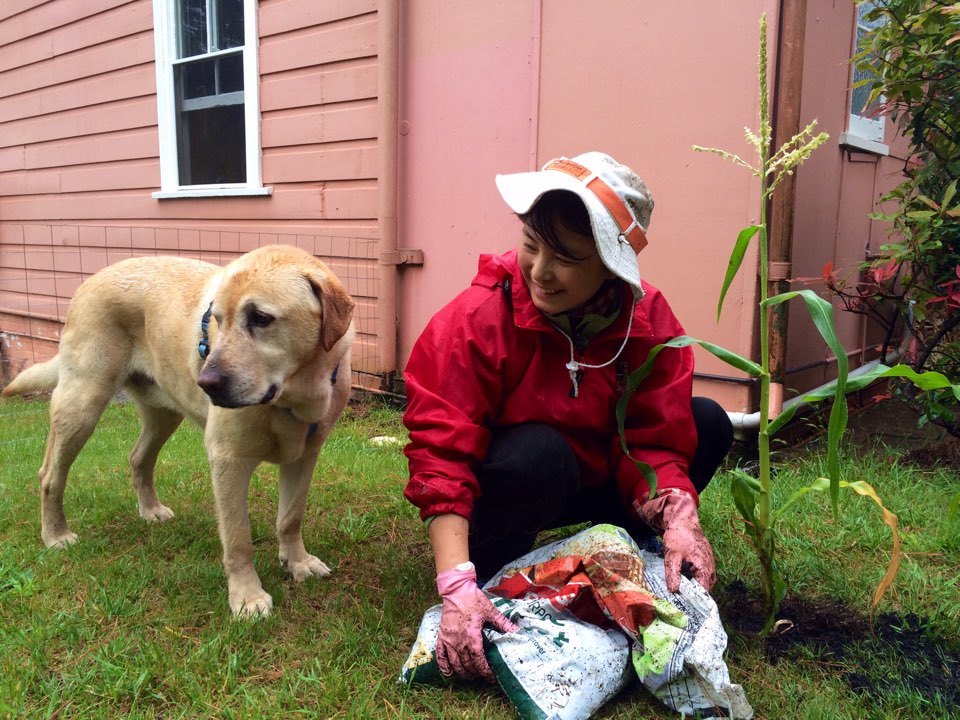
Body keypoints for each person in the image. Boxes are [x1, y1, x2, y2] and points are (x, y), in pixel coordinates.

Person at [402, 151, 734, 683]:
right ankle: (486, 571)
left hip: (601, 479)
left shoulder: (645, 322)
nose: (540, 271)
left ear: (609, 264)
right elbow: (442, 448)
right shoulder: (479, 316)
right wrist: (454, 583)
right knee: (540, 454)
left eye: (568, 258)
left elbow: (654, 440)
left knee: (709, 420)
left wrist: (677, 513)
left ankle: (636, 554)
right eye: (531, 246)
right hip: (522, 481)